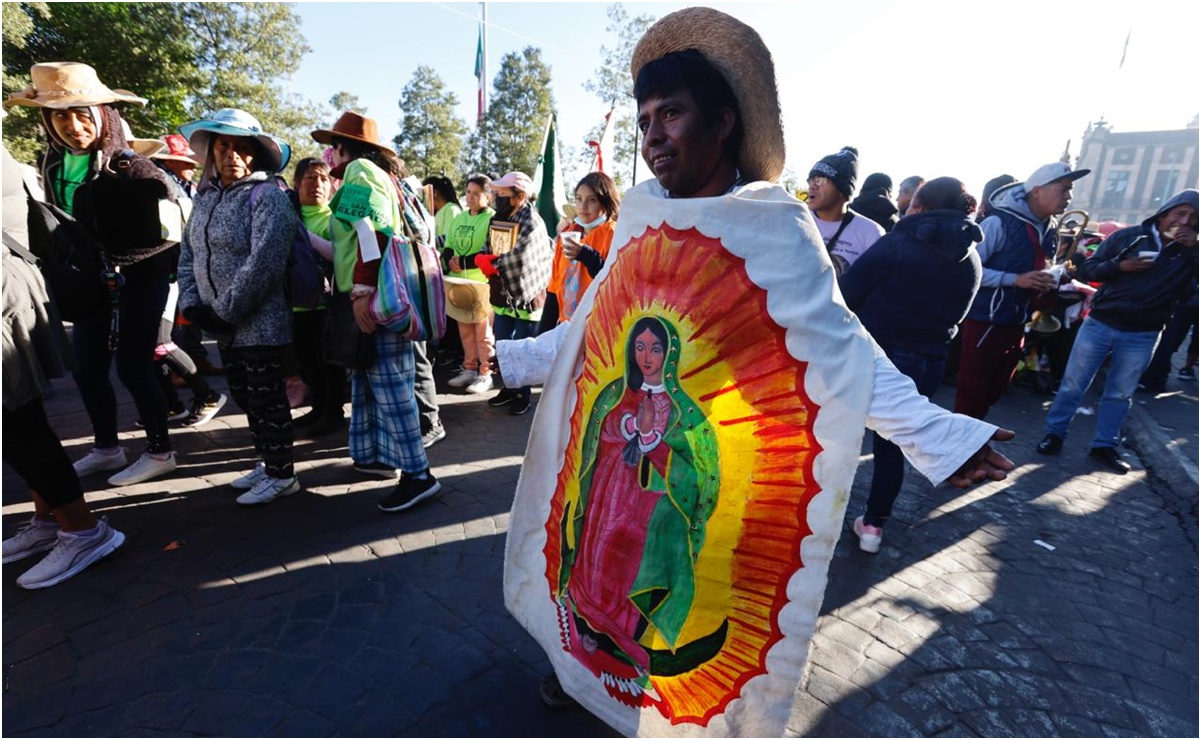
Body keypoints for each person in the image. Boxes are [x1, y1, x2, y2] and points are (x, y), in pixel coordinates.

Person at [496, 10, 1014, 725]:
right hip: (614, 468)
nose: (651, 135)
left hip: (707, 471)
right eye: (645, 117)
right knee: (592, 573)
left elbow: (843, 351)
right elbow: (590, 335)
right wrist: (499, 357)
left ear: (724, 122)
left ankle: (643, 697)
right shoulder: (641, 217)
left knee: (671, 589)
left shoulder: (774, 230)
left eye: (670, 113)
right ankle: (581, 674)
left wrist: (936, 434)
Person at [4, 62, 180, 487]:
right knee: (87, 370)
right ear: (47, 120)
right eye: (62, 115)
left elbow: (170, 234)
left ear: (104, 115)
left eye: (83, 114)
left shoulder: (133, 167)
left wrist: (115, 263)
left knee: (136, 366)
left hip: (142, 279)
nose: (73, 125)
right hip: (88, 286)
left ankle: (159, 451)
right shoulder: (53, 164)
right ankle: (107, 448)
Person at [2, 137, 125, 589]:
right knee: (18, 424)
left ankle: (82, 530)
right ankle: (54, 520)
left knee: (20, 423)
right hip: (14, 289)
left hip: (6, 294)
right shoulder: (46, 161)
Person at [838, 177, 983, 552]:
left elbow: (846, 295)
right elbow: (960, 315)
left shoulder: (897, 243)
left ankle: (817, 514)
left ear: (918, 207)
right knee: (893, 445)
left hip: (876, 359)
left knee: (838, 436)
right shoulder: (972, 256)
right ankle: (873, 526)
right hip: (930, 362)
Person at [312, 111, 441, 512]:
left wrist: (362, 292)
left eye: (331, 146)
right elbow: (353, 241)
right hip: (379, 294)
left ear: (344, 147)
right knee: (371, 382)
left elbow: (371, 231)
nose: (327, 154)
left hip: (376, 299)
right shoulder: (381, 176)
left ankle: (419, 475)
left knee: (391, 389)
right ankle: (376, 457)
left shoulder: (360, 172)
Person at [177, 108, 300, 506]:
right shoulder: (206, 198)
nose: (231, 155)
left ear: (254, 155)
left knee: (267, 398)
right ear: (212, 152)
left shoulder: (268, 197)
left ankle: (283, 474)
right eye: (223, 146)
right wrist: (193, 302)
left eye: (241, 148)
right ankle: (267, 463)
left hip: (259, 322)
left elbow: (264, 263)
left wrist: (224, 310)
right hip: (221, 323)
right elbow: (189, 254)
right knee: (246, 397)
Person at [1037, 189, 1198, 473]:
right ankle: (1054, 434)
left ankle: (1104, 446)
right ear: (1165, 214)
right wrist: (1121, 266)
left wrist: (1193, 251)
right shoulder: (1129, 237)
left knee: (1121, 393)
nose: (1185, 221)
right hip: (1102, 322)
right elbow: (1089, 270)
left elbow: (1191, 293)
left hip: (1144, 332)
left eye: (1194, 218)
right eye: (1180, 213)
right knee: (1074, 383)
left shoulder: (1191, 252)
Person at [955, 162, 1090, 420]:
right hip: (986, 320)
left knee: (996, 387)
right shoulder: (997, 222)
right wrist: (1016, 279)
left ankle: (974, 445)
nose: (1069, 197)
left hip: (1018, 319)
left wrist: (1054, 275)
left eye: (1070, 190)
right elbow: (966, 269)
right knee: (973, 392)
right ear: (1037, 190)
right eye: (1063, 189)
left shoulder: (1049, 227)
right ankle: (962, 451)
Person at [476, 170, 553, 416]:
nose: (496, 196)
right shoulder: (499, 217)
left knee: (522, 345)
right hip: (503, 294)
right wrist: (484, 258)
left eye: (502, 193)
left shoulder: (532, 220)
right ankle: (509, 387)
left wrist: (495, 264)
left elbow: (525, 257)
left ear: (518, 196)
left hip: (527, 296)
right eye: (496, 192)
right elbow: (489, 245)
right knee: (503, 341)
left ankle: (523, 393)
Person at [289, 156, 347, 438]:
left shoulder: (334, 219)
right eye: (311, 178)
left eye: (324, 179)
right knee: (306, 362)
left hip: (325, 305)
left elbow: (341, 256)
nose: (318, 184)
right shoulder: (287, 214)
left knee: (327, 363)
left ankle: (332, 413)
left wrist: (306, 238)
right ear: (297, 183)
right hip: (294, 305)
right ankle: (318, 408)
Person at [542, 171, 620, 330]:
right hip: (566, 328)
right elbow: (553, 292)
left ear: (605, 204)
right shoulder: (567, 236)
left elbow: (614, 286)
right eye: (578, 199)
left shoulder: (614, 235)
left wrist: (587, 255)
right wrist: (542, 335)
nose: (583, 206)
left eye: (592, 200)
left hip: (598, 329)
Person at [443, 173, 497, 395]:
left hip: (482, 284)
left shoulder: (492, 218)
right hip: (460, 283)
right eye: (468, 192)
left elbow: (491, 251)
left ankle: (486, 373)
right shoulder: (460, 218)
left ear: (488, 196)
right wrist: (449, 259)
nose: (471, 197)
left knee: (484, 332)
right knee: (465, 330)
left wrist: (463, 260)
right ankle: (469, 369)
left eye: (477, 193)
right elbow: (448, 245)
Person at [807, 146, 885, 274]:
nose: (812, 186)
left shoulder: (871, 233)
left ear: (842, 189)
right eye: (810, 180)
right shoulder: (795, 221)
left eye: (820, 180)